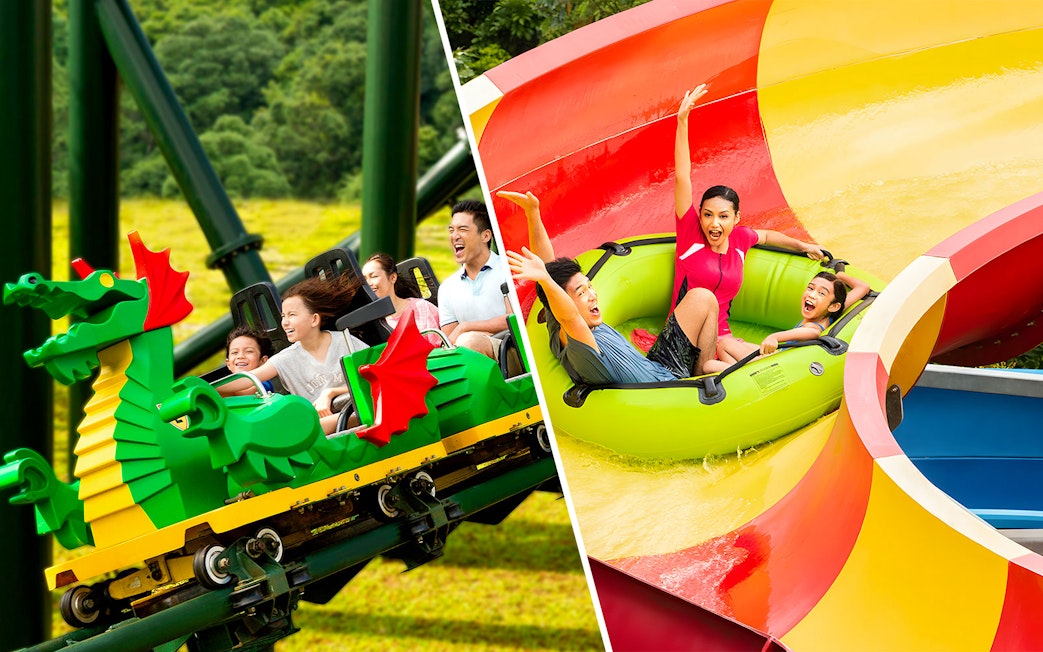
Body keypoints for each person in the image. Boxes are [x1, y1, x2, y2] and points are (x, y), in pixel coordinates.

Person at [673, 83, 824, 365]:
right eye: (707, 214)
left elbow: (766, 236)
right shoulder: (690, 235)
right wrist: (682, 122)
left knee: (770, 363)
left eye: (722, 216)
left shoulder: (741, 239)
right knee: (737, 364)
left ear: (736, 219)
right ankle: (713, 370)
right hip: (687, 340)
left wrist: (802, 245)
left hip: (722, 339)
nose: (713, 223)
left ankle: (721, 371)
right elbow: (683, 177)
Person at [501, 190, 718, 384]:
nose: (593, 295)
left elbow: (547, 266)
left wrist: (533, 212)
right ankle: (705, 383)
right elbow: (569, 316)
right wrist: (547, 282)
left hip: (659, 366)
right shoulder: (579, 343)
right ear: (563, 304)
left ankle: (702, 372)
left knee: (703, 297)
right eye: (581, 292)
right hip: (665, 391)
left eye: (589, 287)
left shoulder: (559, 323)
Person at [216, 275, 368, 435]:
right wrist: (204, 389)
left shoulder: (344, 341)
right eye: (283, 316)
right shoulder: (286, 359)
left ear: (314, 319)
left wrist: (330, 393)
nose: (285, 322)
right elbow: (247, 380)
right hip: (319, 435)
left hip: (364, 415)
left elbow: (376, 373)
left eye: (292, 315)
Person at [704, 269, 870, 372]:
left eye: (821, 293)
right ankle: (736, 372)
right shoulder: (832, 312)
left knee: (709, 366)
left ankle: (736, 377)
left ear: (833, 305)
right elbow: (863, 288)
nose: (812, 294)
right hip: (778, 356)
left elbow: (811, 333)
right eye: (811, 288)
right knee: (725, 345)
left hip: (775, 363)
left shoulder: (813, 328)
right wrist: (839, 275)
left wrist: (774, 337)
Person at [437, 199, 510, 360]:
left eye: (462, 229)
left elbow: (514, 319)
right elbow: (452, 341)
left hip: (511, 349)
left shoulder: (507, 270)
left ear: (485, 236)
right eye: (451, 230)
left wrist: (467, 327)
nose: (454, 236)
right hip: (470, 356)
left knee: (468, 341)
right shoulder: (447, 288)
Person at [362, 252, 444, 347]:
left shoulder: (421, 308)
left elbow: (438, 347)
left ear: (393, 277)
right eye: (364, 280)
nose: (369, 283)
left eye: (374, 276)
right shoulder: (370, 323)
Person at [223, 325, 275, 395]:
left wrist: (210, 390)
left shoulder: (263, 383)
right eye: (234, 352)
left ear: (263, 361)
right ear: (228, 363)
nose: (240, 356)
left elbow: (243, 392)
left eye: (249, 351)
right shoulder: (226, 385)